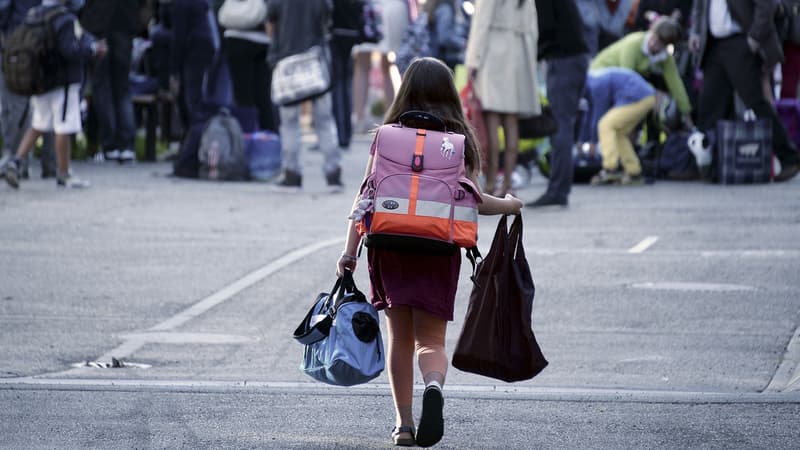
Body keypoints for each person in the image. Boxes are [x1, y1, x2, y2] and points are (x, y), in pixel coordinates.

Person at [336, 57, 523, 448]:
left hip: (389, 247)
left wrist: (350, 251)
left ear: (405, 91)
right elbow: (473, 201)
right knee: (431, 341)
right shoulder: (458, 141)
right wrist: (508, 205)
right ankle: (434, 386)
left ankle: (403, 425)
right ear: (449, 94)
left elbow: (366, 196)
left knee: (399, 338)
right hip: (438, 249)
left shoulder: (386, 136)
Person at [689, 0, 800, 182]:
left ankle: (790, 158)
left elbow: (766, 6)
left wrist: (755, 37)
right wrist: (695, 32)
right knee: (710, 105)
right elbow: (699, 8)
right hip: (713, 45)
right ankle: (713, 165)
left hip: (740, 42)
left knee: (755, 102)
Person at [4, 0, 107, 189]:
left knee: (38, 125)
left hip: (41, 80)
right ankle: (64, 173)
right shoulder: (65, 19)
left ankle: (15, 161)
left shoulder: (35, 14)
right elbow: (70, 50)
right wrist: (92, 49)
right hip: (63, 82)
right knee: (63, 127)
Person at [465, 0, 540, 196]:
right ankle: (507, 183)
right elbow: (533, 28)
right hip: (519, 53)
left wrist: (473, 60)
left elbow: (481, 23)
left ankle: (490, 183)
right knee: (511, 121)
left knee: (492, 121)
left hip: (494, 53)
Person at [267, 0, 343, 192]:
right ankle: (333, 173)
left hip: (287, 61)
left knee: (290, 123)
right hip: (315, 60)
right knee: (324, 119)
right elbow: (327, 19)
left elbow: (270, 22)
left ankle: (292, 174)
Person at [525, 0, 589, 208]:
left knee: (560, 127)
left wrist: (532, 53)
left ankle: (557, 191)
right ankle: (559, 189)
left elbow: (546, 27)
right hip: (574, 56)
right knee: (565, 125)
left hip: (563, 59)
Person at [590, 16, 694, 129]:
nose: (654, 44)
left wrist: (686, 113)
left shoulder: (665, 58)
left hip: (618, 86)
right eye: (654, 38)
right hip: (599, 77)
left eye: (660, 43)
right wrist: (654, 93)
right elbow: (626, 78)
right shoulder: (633, 44)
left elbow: (676, 84)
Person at [0, 0, 57, 180]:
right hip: (49, 44)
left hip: (17, 47)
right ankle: (51, 165)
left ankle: (15, 162)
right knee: (51, 105)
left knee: (16, 108)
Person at [80, 0, 142, 163]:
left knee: (102, 87)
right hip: (125, 23)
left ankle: (110, 144)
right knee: (122, 88)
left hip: (99, 24)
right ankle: (126, 144)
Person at [579, 67, 657, 185]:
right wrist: (582, 141)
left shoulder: (596, 83)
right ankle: (633, 172)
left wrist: (593, 143)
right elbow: (588, 116)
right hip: (644, 97)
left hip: (638, 96)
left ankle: (610, 169)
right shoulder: (591, 83)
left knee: (606, 124)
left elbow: (598, 115)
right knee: (618, 133)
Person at [351, 0, 409, 134]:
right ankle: (392, 119)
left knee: (364, 64)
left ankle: (361, 119)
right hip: (389, 7)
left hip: (370, 7)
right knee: (388, 64)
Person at [220, 0, 276, 132]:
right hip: (262, 40)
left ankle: (246, 136)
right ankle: (267, 138)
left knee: (242, 96)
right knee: (263, 96)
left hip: (236, 39)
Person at [168, 0, 219, 130]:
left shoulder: (181, 4)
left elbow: (179, 36)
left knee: (192, 99)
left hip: (194, 51)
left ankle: (195, 137)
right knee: (195, 97)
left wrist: (174, 70)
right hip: (203, 48)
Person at [425, 0, 466, 72]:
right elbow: (445, 37)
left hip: (436, 57)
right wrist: (463, 43)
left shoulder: (438, 5)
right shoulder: (445, 8)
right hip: (444, 59)